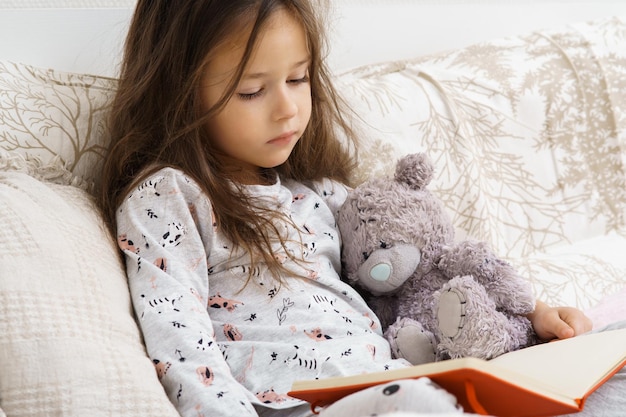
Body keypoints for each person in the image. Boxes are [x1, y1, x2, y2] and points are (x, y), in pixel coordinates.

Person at [98, 1, 625, 416]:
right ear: (181, 91)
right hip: (307, 404)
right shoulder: (169, 197)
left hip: (405, 378)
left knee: (612, 354)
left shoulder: (322, 196)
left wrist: (532, 317)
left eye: (299, 79)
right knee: (416, 407)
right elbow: (182, 346)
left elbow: (428, 274)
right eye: (251, 91)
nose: (288, 108)